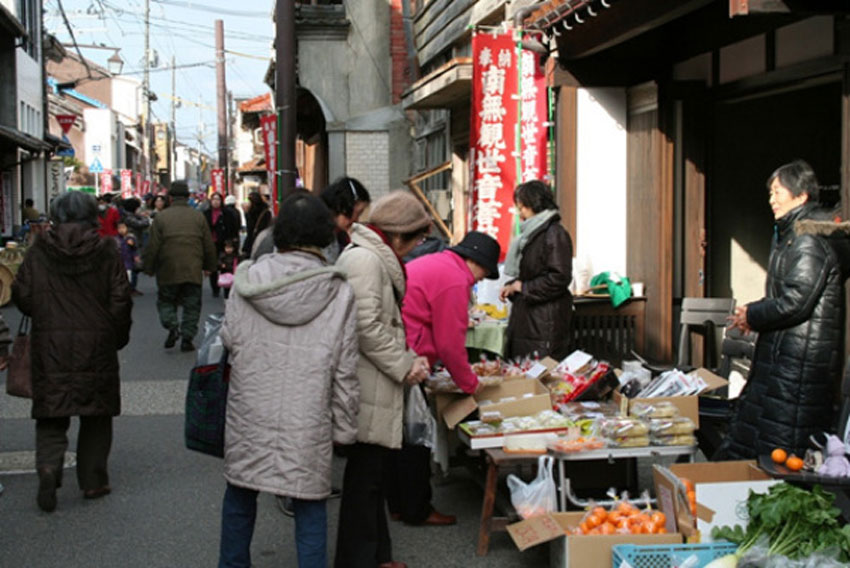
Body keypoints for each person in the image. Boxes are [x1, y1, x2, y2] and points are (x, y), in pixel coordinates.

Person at [218, 193, 359, 568]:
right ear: (325, 237)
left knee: (240, 495)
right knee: (309, 502)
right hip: (308, 414)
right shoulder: (339, 291)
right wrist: (344, 429)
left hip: (250, 406)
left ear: (278, 235)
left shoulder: (247, 281)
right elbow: (345, 369)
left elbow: (229, 340)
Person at [719, 160, 850, 460]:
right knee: (762, 447)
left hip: (798, 363)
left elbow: (796, 302)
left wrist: (752, 314)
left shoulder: (808, 240)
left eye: (778, 192)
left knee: (780, 451)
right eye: (770, 192)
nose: (771, 199)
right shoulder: (792, 234)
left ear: (801, 196)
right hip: (785, 357)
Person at [12, 191, 132, 513]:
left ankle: (49, 467)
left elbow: (22, 295)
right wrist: (117, 337)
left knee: (52, 412)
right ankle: (93, 482)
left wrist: (46, 310)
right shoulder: (107, 250)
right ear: (92, 216)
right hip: (97, 344)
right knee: (96, 413)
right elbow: (120, 299)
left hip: (50, 343)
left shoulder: (39, 251)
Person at [334, 190, 431, 568]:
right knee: (364, 481)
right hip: (366, 381)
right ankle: (359, 560)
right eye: (416, 238)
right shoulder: (366, 261)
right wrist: (404, 364)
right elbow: (365, 327)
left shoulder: (371, 257)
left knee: (371, 479)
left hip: (373, 378)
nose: (418, 246)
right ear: (396, 235)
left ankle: (376, 557)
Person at [385, 231, 501, 527]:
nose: (481, 279)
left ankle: (398, 504)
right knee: (416, 439)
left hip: (398, 352)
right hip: (411, 360)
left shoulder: (441, 263)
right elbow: (451, 343)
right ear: (475, 262)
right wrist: (471, 385)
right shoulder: (454, 279)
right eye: (485, 272)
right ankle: (417, 509)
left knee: (398, 439)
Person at [499, 179, 574, 361]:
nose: (520, 213)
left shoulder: (553, 233)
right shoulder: (534, 234)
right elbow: (532, 274)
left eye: (522, 207)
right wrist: (513, 286)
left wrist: (522, 287)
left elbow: (559, 277)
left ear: (534, 205)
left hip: (544, 323)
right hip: (531, 320)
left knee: (542, 378)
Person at [142, 180, 217, 352]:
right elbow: (208, 244)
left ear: (170, 197)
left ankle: (172, 326)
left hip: (168, 268)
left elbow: (153, 245)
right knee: (192, 304)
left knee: (166, 301)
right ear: (187, 196)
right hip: (192, 267)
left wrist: (149, 267)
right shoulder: (198, 216)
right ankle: (187, 338)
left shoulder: (161, 217)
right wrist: (210, 266)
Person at [320, 176, 372, 263]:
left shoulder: (340, 236)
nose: (357, 220)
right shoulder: (319, 235)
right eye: (358, 213)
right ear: (343, 206)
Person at [203, 193, 241, 298]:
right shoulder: (206, 213)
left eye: (218, 199)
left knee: (226, 266)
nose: (215, 201)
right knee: (213, 267)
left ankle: (226, 289)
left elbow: (233, 228)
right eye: (214, 199)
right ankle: (215, 288)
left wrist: (232, 243)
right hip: (211, 244)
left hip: (225, 244)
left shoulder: (227, 213)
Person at [241, 191, 271, 257]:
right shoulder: (250, 212)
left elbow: (252, 229)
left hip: (258, 242)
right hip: (255, 242)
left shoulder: (264, 213)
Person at [116, 221, 142, 295]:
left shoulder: (130, 238)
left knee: (131, 275)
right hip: (121, 259)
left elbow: (135, 248)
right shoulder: (116, 239)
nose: (121, 230)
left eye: (123, 228)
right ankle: (125, 289)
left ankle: (131, 288)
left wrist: (136, 255)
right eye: (119, 228)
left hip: (129, 260)